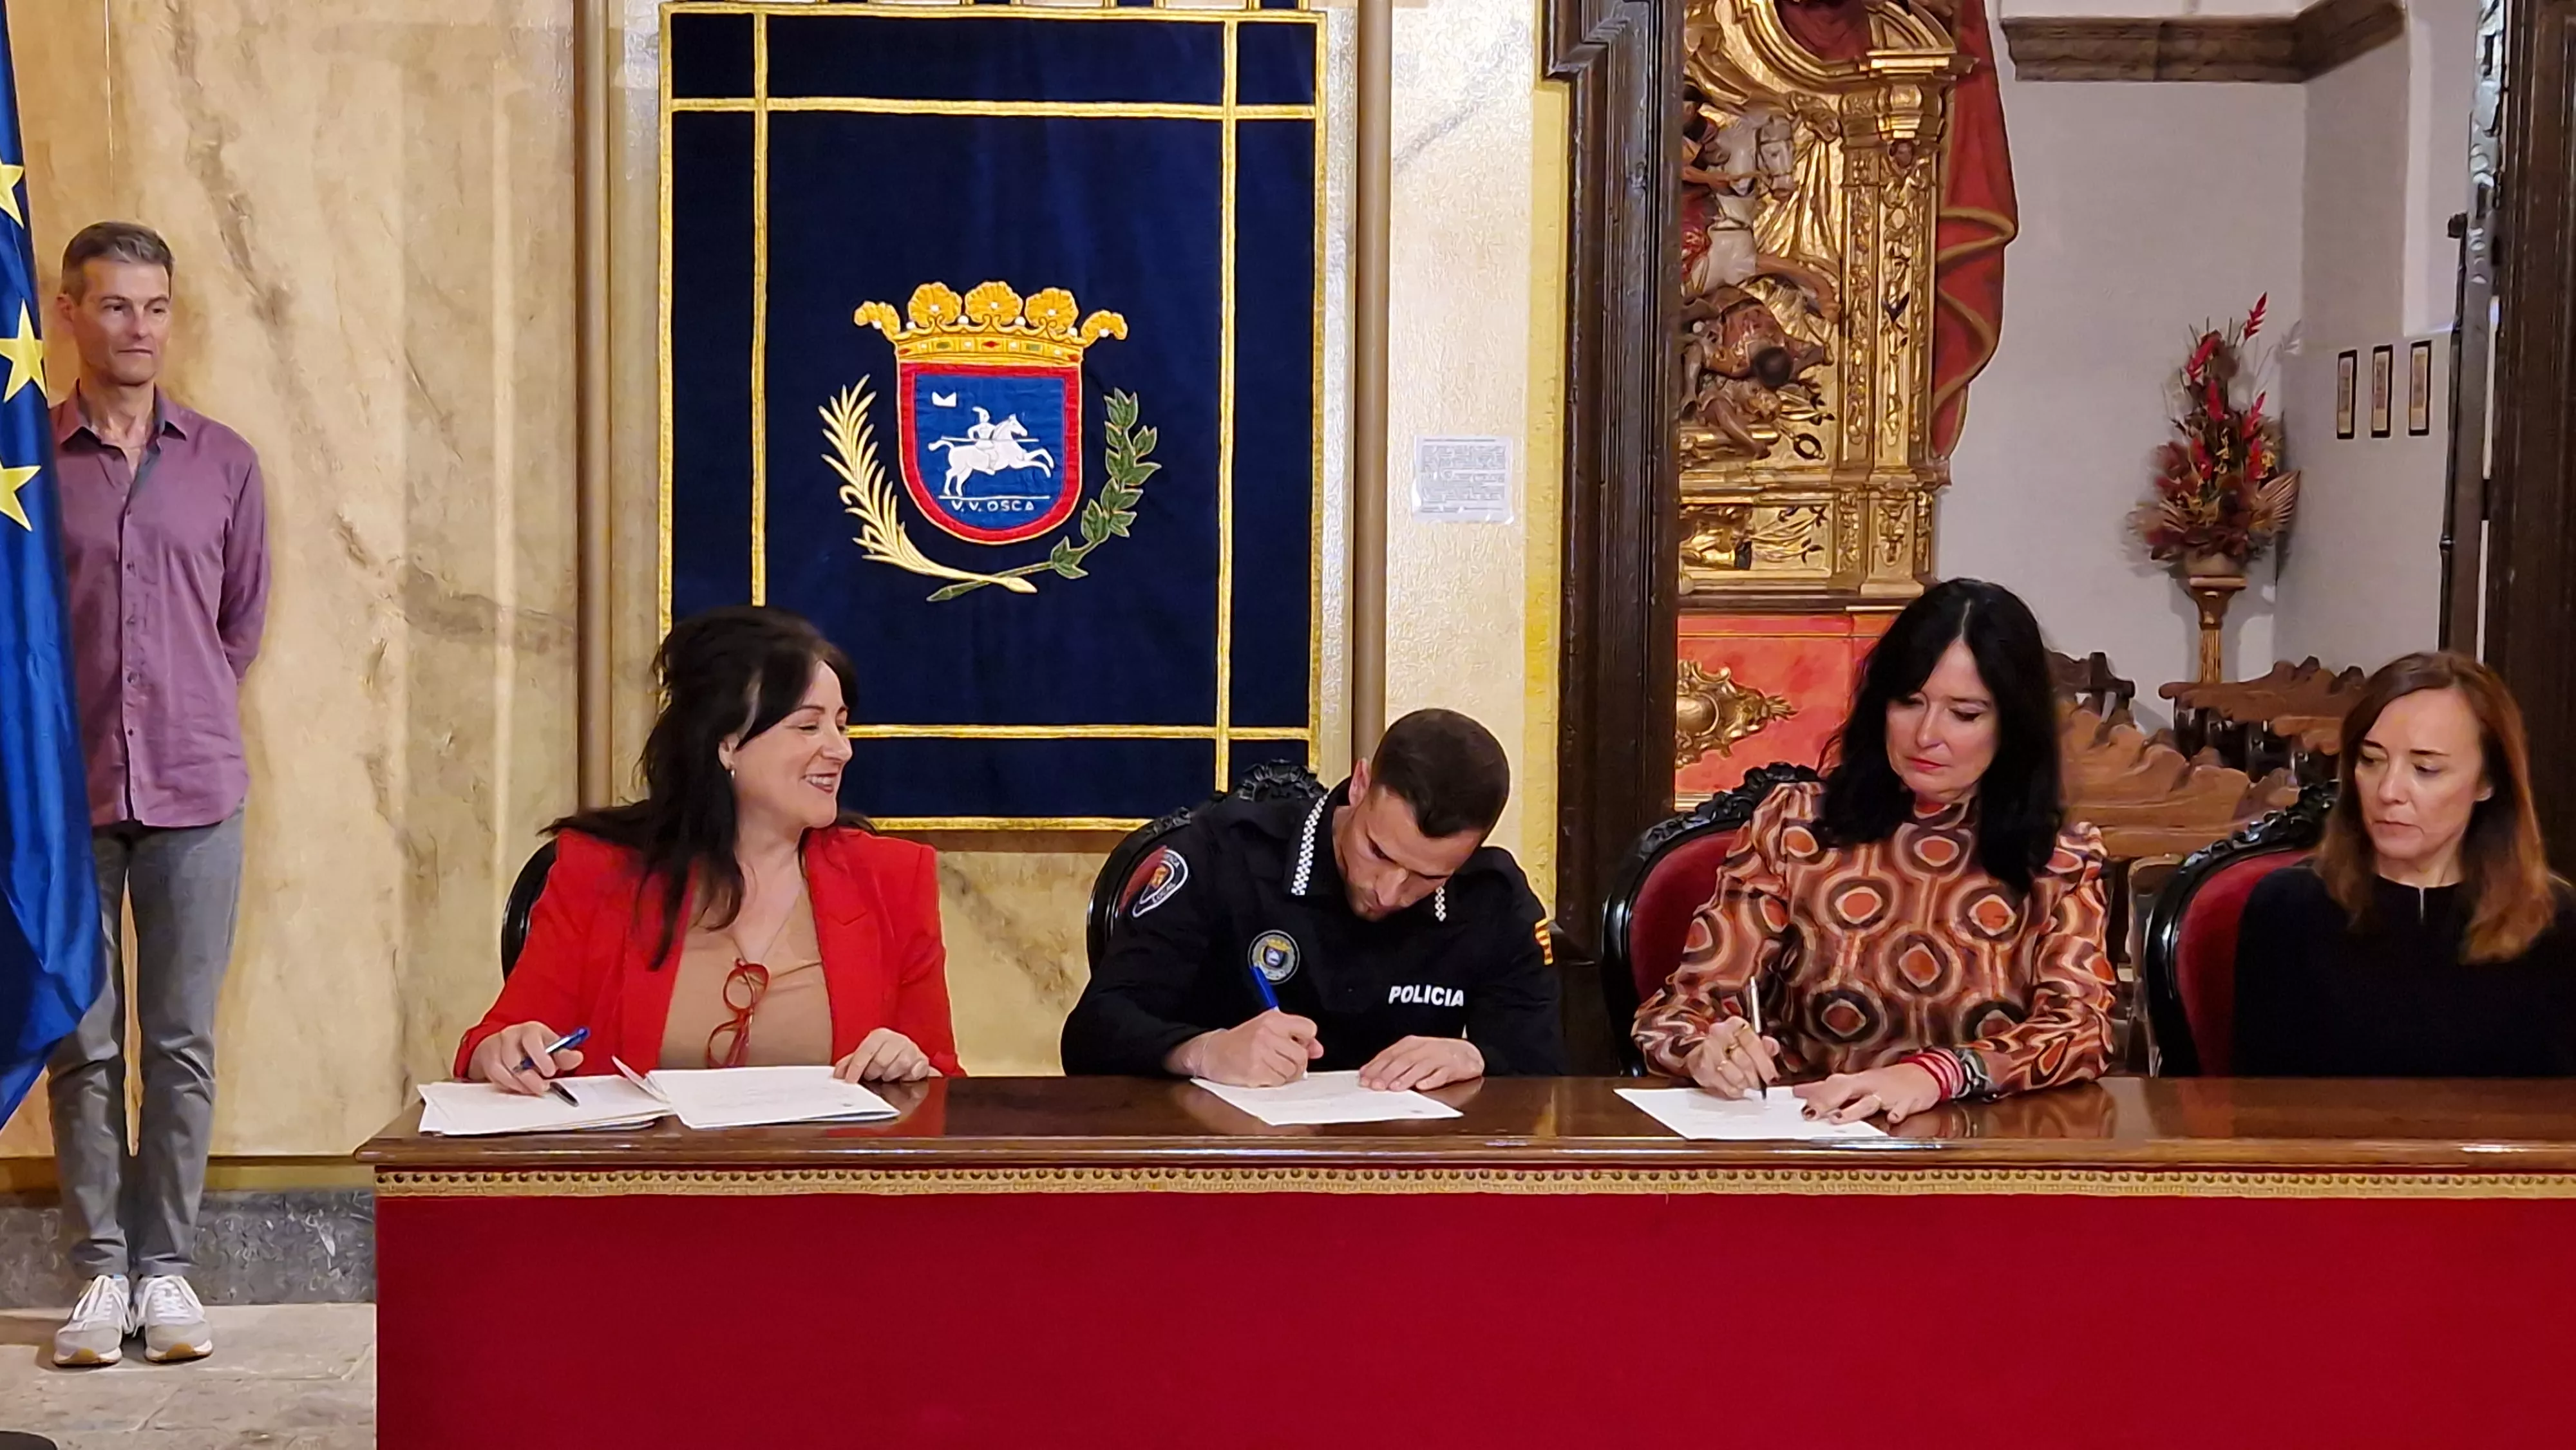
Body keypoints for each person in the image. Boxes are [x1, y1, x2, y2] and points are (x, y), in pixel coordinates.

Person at [1633, 579, 2114, 1124]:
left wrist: (1935, 1074)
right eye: (1910, 702)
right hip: (1810, 1138)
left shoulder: (2060, 856)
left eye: (1965, 713)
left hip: (1977, 1144)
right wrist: (1707, 1050)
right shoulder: (1795, 825)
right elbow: (1678, 1012)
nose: (1927, 735)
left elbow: (2082, 1030)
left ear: (2013, 726)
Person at [47, 222, 269, 1369]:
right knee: (83, 1045)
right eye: (117, 306)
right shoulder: (26, 464)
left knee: (180, 1041)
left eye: (158, 307)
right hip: (62, 800)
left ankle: (167, 1268)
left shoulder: (225, 463)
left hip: (196, 787)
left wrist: (175, 705)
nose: (139, 328)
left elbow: (238, 624)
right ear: (70, 313)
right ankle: (98, 1271)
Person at [454, 607, 961, 1097]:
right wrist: (506, 1051)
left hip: (825, 1180)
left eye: (841, 725)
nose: (841, 749)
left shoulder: (892, 878)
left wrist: (910, 1065)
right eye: (809, 727)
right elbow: (496, 1044)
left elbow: (941, 1076)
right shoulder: (599, 872)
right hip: (644, 1178)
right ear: (726, 745)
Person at [1061, 709, 1565, 1088]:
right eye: (1378, 851)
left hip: (1402, 1177)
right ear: (1361, 784)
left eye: (1427, 876)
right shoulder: (1224, 852)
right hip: (1220, 1170)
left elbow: (1548, 1070)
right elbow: (1093, 1034)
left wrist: (1477, 1058)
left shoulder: (1493, 897)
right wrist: (1203, 1051)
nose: (1389, 892)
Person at [2234, 653, 2575, 1076]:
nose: (2389, 791)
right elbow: (2258, 1110)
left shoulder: (2554, 921)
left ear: (2487, 782)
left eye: (2425, 769)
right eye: (2371, 761)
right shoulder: (2288, 910)